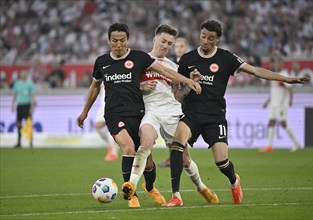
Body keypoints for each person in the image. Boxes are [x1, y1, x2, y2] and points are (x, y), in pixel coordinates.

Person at [161, 19, 309, 207]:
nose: (205, 41)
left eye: (210, 38)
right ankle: (176, 196)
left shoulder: (226, 58)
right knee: (177, 145)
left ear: (218, 40)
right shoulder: (187, 59)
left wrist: (287, 79)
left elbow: (255, 70)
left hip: (215, 116)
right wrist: (190, 84)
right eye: (203, 36)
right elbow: (178, 96)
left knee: (221, 162)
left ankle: (234, 181)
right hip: (192, 114)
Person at [76, 22, 201, 208]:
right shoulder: (102, 62)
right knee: (128, 148)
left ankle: (150, 187)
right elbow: (95, 87)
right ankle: (131, 194)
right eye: (115, 41)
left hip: (138, 114)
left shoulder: (138, 58)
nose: (119, 44)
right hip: (114, 115)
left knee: (148, 163)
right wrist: (84, 111)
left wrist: (187, 81)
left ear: (128, 40)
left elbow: (165, 71)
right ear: (109, 41)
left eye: (122, 40)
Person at [122, 24, 218, 206]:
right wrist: (140, 86)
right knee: (146, 142)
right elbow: (126, 86)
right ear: (154, 39)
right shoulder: (141, 61)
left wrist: (190, 85)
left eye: (169, 43)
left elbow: (179, 96)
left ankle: (201, 187)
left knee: (184, 159)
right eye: (163, 41)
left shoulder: (174, 66)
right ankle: (131, 185)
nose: (165, 46)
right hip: (150, 111)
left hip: (173, 113)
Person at [158, 37, 189, 168]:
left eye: (181, 46)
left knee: (179, 135)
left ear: (186, 47)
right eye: (177, 46)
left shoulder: (188, 64)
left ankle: (185, 159)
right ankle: (174, 158)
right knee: (170, 136)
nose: (179, 49)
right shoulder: (171, 63)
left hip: (184, 103)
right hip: (172, 102)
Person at [259, 56, 302, 153]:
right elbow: (274, 91)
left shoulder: (284, 75)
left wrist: (290, 100)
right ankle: (269, 146)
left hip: (281, 104)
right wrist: (267, 102)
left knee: (283, 123)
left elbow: (290, 88)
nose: (276, 65)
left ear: (282, 65)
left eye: (279, 64)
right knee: (271, 122)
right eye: (276, 64)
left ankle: (296, 143)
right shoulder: (275, 75)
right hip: (273, 104)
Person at [11, 70, 36, 148]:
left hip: (27, 105)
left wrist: (32, 106)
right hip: (20, 105)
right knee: (19, 124)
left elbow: (32, 96)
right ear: (20, 75)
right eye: (22, 74)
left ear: (26, 75)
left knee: (29, 124)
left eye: (25, 74)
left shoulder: (30, 84)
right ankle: (19, 142)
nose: (23, 75)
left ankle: (31, 142)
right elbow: (15, 94)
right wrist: (12, 104)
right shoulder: (17, 84)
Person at [95, 82, 119, 161]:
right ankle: (111, 146)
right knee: (98, 127)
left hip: (111, 103)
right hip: (103, 104)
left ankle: (113, 153)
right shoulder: (101, 72)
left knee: (111, 128)